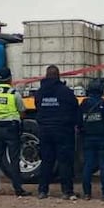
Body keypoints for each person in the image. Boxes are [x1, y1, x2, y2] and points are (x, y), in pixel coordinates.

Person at [33, 65, 80, 200]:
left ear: (46, 76)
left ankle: (43, 191)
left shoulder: (40, 92)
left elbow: (37, 107)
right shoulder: (65, 92)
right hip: (63, 131)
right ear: (58, 75)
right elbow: (74, 108)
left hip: (45, 131)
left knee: (47, 161)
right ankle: (67, 191)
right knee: (65, 162)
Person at [0, 67, 30, 197]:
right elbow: (22, 110)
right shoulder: (13, 93)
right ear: (9, 79)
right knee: (14, 159)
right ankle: (18, 189)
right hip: (11, 128)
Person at [78, 78, 104, 201]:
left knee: (88, 165)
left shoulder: (83, 104)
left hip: (88, 138)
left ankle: (87, 193)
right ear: (102, 91)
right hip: (103, 139)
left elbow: (78, 121)